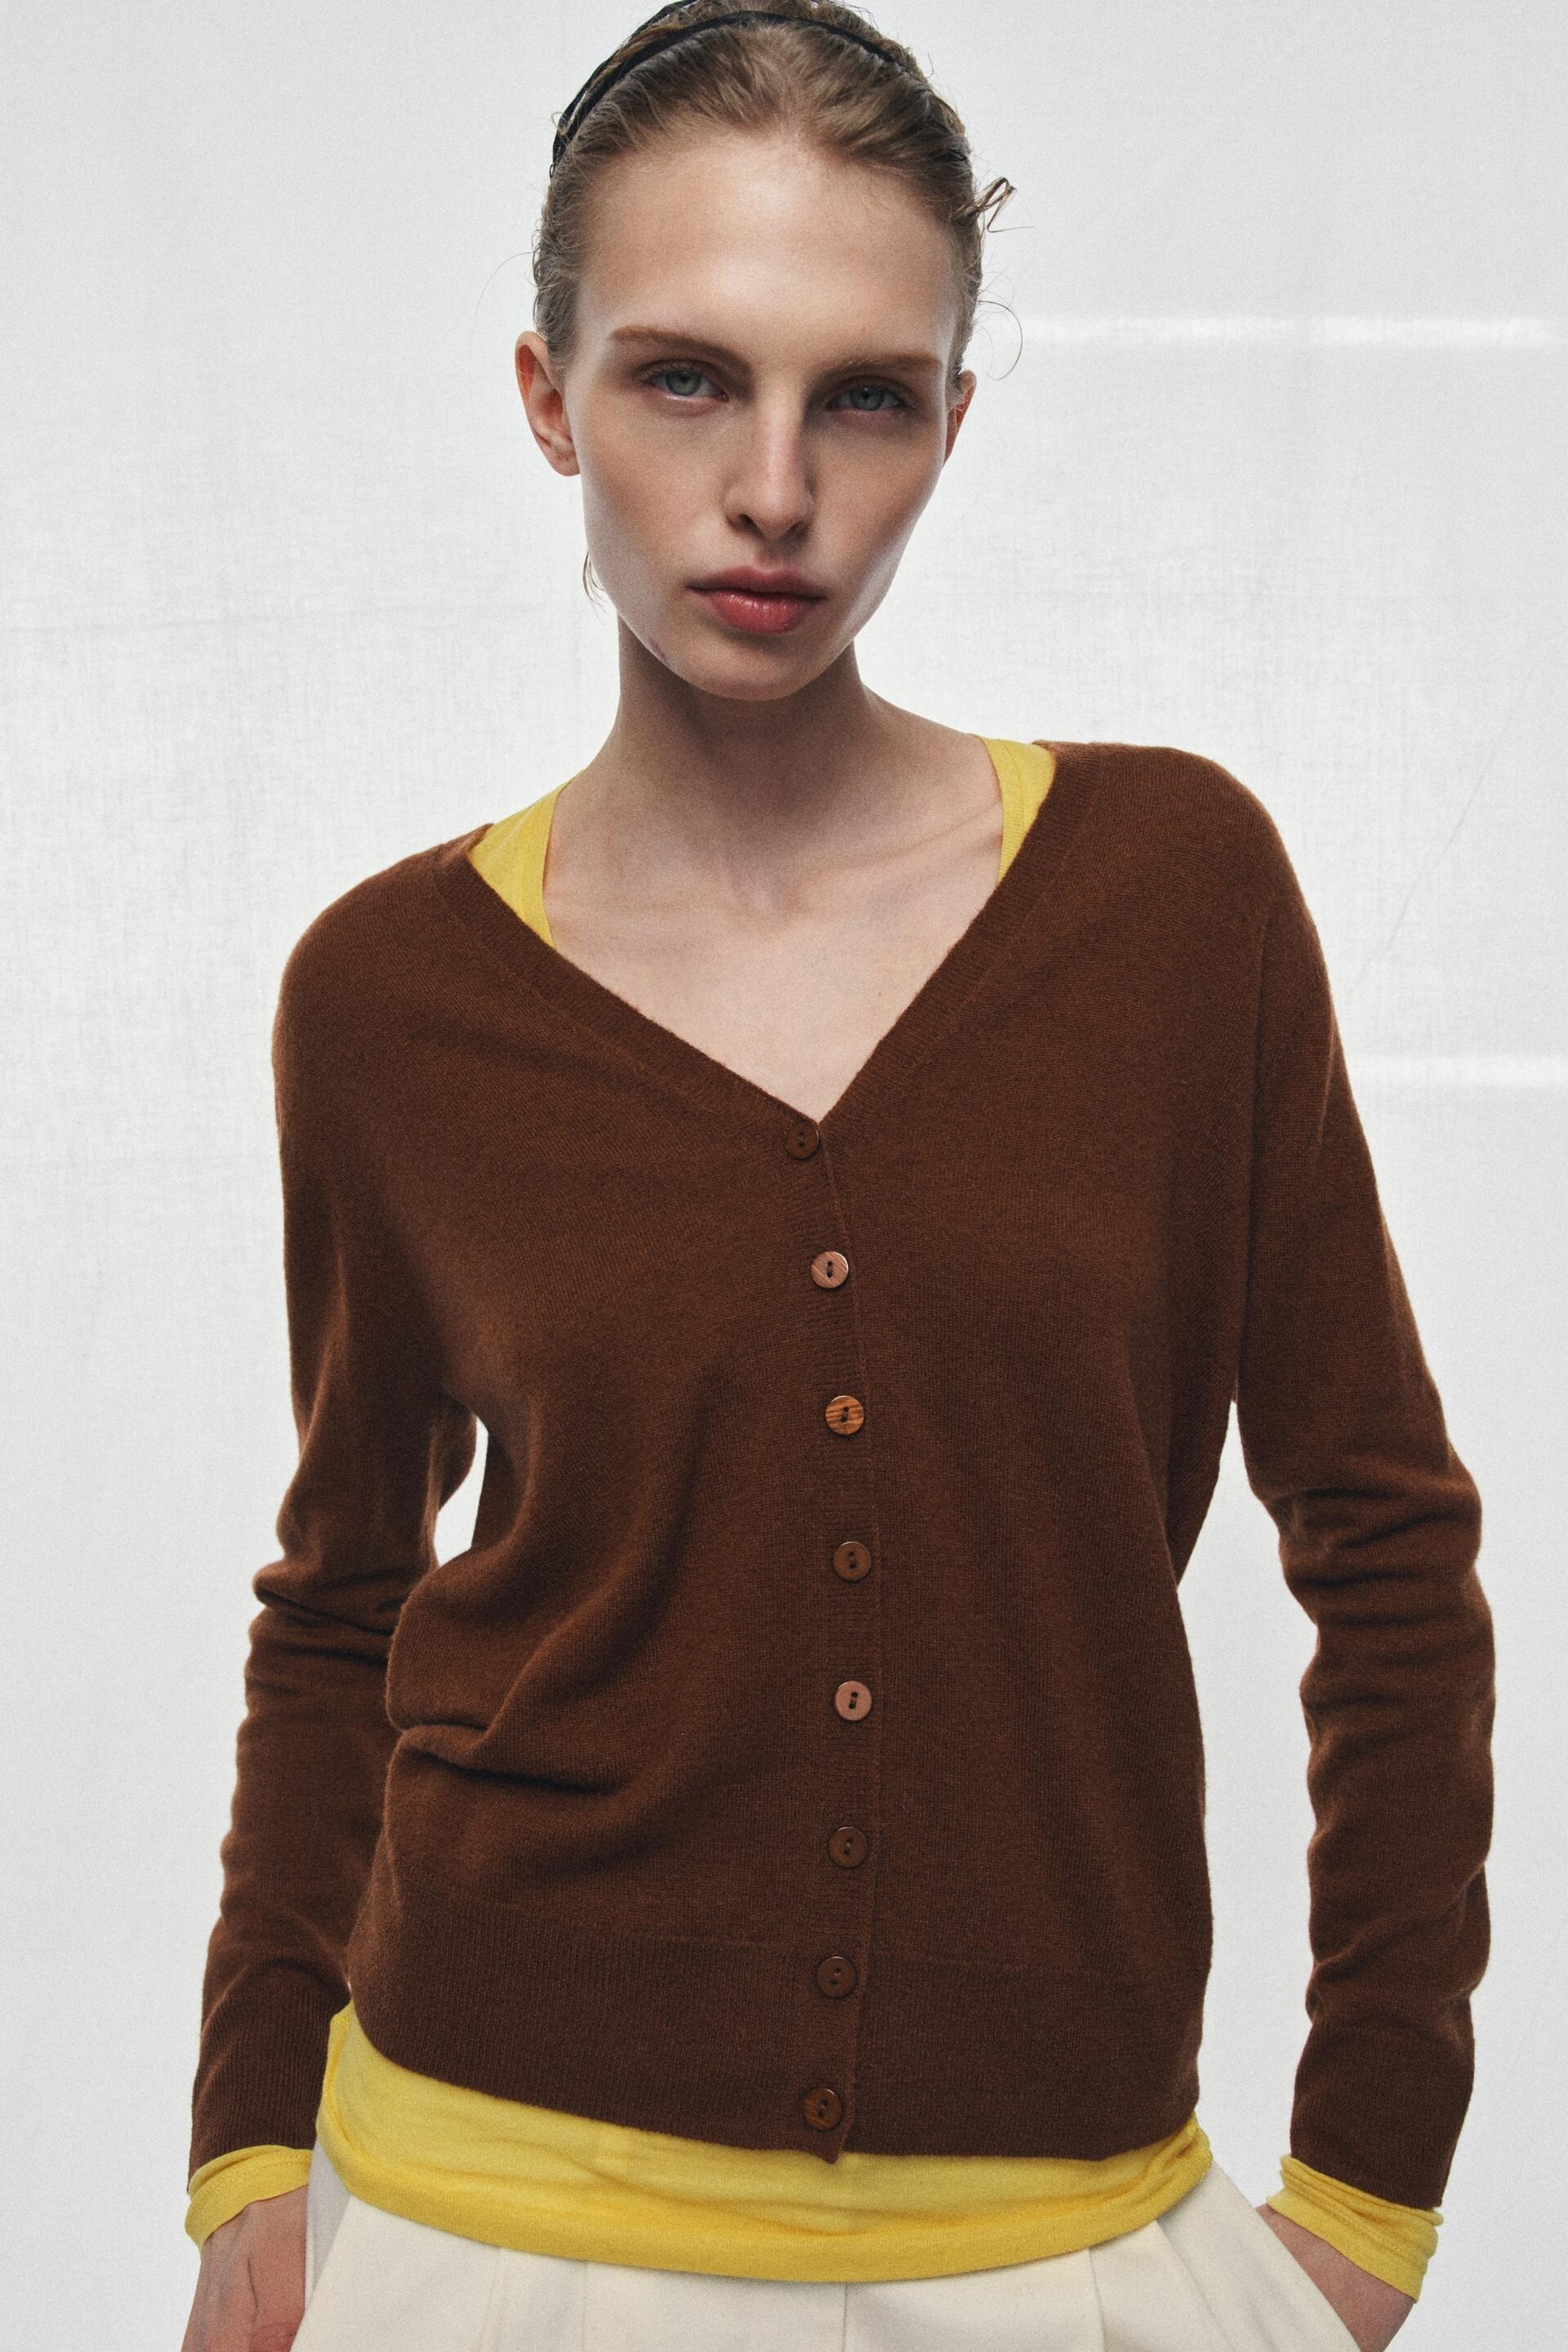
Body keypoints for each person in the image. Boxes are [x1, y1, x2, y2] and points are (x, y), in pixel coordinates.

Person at [179, 6, 1494, 2349]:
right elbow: (345, 1600)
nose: (771, 490)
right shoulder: (391, 996)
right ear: (548, 397)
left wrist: (1372, 2184)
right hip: (480, 2232)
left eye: (865, 398)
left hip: (1075, 2242)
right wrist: (251, 2149)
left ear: (953, 422)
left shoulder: (1173, 898)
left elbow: (1384, 1544)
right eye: (686, 380)